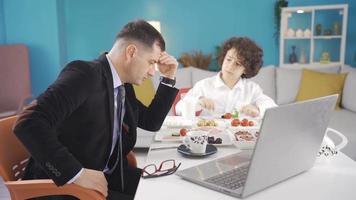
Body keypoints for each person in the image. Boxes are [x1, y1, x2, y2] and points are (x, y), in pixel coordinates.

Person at [14, 20, 179, 200]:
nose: (152, 71)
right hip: (66, 186)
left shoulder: (124, 85)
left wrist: (168, 78)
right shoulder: (84, 74)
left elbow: (150, 121)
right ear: (131, 52)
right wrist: (76, 173)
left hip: (111, 176)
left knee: (169, 190)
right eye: (151, 62)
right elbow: (28, 122)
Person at [175, 37, 276, 118]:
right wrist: (198, 102)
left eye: (237, 64)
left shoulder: (252, 89)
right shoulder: (203, 85)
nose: (230, 66)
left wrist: (258, 109)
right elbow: (179, 108)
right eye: (228, 59)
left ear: (246, 69)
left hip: (240, 139)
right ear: (223, 58)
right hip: (209, 138)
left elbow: (273, 108)